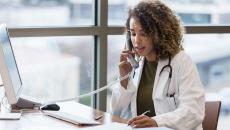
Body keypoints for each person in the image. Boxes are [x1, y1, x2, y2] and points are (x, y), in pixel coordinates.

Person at [110, 0, 205, 130]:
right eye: (133, 33)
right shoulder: (135, 65)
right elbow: (116, 113)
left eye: (143, 34)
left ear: (159, 34)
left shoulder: (181, 61)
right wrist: (124, 79)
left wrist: (156, 122)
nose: (136, 41)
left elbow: (193, 112)